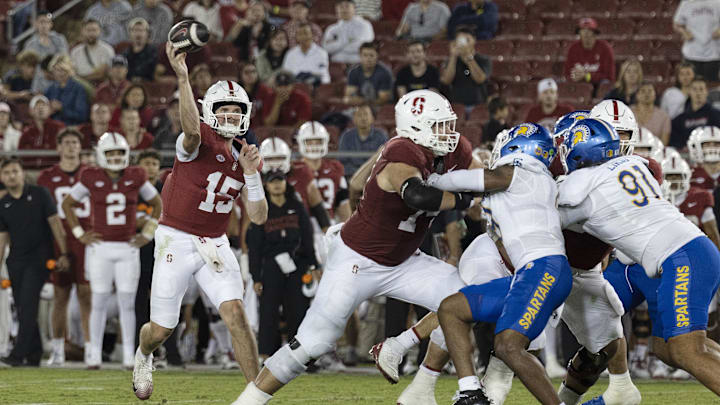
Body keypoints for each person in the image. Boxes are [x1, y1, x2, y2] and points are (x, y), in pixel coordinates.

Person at [232, 89, 482, 405]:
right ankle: (247, 402)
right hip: (357, 260)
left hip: (404, 260)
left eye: (448, 124)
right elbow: (417, 196)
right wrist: (466, 196)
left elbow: (481, 179)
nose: (448, 133)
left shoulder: (454, 148)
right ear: (415, 127)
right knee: (312, 344)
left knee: (464, 303)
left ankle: (419, 384)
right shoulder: (402, 150)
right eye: (438, 125)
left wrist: (488, 188)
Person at [132, 42, 268, 400]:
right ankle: (144, 353)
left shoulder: (247, 156)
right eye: (221, 110)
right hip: (175, 237)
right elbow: (191, 131)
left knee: (236, 313)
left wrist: (252, 174)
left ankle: (256, 396)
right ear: (210, 112)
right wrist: (183, 77)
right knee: (161, 329)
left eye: (234, 110)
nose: (228, 116)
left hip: (215, 242)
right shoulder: (199, 138)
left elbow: (257, 216)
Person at [559, 117, 720, 398]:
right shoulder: (633, 164)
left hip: (681, 257)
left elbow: (549, 219)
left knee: (685, 349)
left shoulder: (579, 187)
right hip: (693, 250)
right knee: (666, 348)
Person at [62, 133, 161, 369]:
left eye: (119, 153)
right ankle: (93, 352)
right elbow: (68, 204)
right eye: (111, 153)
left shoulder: (136, 175)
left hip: (127, 247)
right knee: (98, 300)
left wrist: (147, 233)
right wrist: (78, 233)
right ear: (101, 155)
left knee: (127, 302)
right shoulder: (90, 176)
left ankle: (129, 353)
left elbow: (158, 203)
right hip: (100, 247)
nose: (116, 157)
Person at [0, 158, 70, 367]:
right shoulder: (3, 205)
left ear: (23, 173)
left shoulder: (40, 194)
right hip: (16, 261)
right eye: (7, 173)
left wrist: (64, 253)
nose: (11, 176)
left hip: (39, 259)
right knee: (23, 307)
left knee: (28, 305)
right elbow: (2, 240)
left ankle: (17, 354)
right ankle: (34, 353)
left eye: (15, 171)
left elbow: (56, 225)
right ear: (2, 177)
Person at [37, 129, 93, 367]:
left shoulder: (92, 173)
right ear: (58, 147)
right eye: (66, 142)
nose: (71, 146)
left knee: (86, 295)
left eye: (74, 142)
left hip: (87, 240)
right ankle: (58, 350)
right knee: (60, 296)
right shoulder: (47, 177)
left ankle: (92, 349)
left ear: (80, 147)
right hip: (59, 240)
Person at [247, 168, 316, 360]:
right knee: (268, 310)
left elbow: (307, 236)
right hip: (271, 265)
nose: (277, 184)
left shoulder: (297, 205)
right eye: (272, 181)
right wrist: (256, 276)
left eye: (280, 180)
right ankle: (266, 355)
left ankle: (301, 355)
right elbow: (255, 245)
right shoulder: (262, 210)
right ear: (266, 185)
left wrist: (314, 264)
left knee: (298, 309)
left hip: (297, 263)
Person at [259, 137, 332, 230]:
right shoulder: (255, 178)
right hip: (268, 230)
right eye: (270, 158)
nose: (275, 163)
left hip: (300, 228)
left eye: (279, 157)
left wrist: (329, 237)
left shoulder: (301, 173)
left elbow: (319, 209)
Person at [295, 121, 352, 222]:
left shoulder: (335, 169)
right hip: (301, 227)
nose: (314, 145)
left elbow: (344, 207)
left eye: (318, 141)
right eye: (309, 142)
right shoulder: (293, 170)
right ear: (300, 143)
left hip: (329, 226)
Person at [440, 28, 492, 108]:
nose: (464, 43)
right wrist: (453, 56)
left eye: (467, 39)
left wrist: (468, 56)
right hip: (456, 104)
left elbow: (480, 79)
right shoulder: (450, 61)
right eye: (460, 40)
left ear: (474, 40)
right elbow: (446, 80)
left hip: (478, 105)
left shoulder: (484, 59)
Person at [673, 0, 720, 82]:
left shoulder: (717, 2)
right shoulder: (686, 3)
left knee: (712, 87)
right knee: (691, 86)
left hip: (713, 54)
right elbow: (677, 24)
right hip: (691, 53)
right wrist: (684, 33)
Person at [338, 105, 388, 178]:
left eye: (366, 114)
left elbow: (385, 161)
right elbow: (342, 162)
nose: (363, 118)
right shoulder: (346, 136)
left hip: (375, 176)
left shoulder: (381, 136)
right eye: (359, 115)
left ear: (372, 118)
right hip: (352, 176)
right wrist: (359, 174)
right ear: (354, 119)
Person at [670, 78, 720, 148]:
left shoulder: (717, 115)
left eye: (701, 89)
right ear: (689, 92)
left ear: (706, 92)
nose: (698, 93)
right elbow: (674, 143)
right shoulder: (678, 120)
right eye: (694, 89)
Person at [564, 18, 615, 86]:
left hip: (598, 85)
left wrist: (587, 76)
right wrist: (574, 76)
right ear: (579, 33)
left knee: (605, 83)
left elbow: (609, 76)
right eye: (583, 31)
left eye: (589, 31)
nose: (586, 34)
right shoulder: (573, 48)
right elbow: (567, 73)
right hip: (578, 84)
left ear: (595, 33)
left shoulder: (605, 48)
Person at [18, 95, 66, 168]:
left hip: (55, 169)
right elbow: (21, 154)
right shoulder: (26, 132)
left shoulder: (59, 128)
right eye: (37, 106)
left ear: (50, 110)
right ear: (31, 111)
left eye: (44, 105)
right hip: (31, 170)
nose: (41, 108)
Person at [321, 0, 374, 64]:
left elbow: (363, 46)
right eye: (341, 7)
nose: (344, 9)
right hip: (337, 63)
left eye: (347, 6)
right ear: (336, 10)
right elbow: (326, 48)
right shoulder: (332, 29)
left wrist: (337, 45)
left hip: (358, 62)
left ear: (354, 8)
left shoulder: (364, 25)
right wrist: (347, 41)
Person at [344, 41, 393, 107]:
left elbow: (383, 100)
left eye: (371, 55)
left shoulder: (384, 73)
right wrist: (353, 100)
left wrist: (363, 102)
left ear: (377, 56)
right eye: (365, 55)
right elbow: (348, 96)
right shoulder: (354, 72)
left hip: (379, 108)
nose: (368, 58)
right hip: (360, 108)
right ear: (360, 56)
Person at [45, 55, 90, 126]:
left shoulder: (78, 89)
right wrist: (49, 110)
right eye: (57, 70)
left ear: (70, 71)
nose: (60, 73)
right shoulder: (50, 89)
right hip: (53, 127)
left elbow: (82, 116)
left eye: (63, 70)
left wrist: (62, 109)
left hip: (72, 127)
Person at [239, 63, 275, 128]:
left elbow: (268, 118)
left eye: (253, 72)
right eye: (246, 72)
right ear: (240, 75)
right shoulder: (235, 91)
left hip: (261, 130)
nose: (250, 75)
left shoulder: (265, 91)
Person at [123, 17, 157, 82]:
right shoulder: (125, 52)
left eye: (141, 30)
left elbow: (148, 69)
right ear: (130, 33)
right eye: (135, 30)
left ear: (147, 33)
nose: (138, 34)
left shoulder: (153, 51)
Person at [687, 126, 720, 191]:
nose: (712, 148)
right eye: (707, 144)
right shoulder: (689, 175)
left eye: (716, 144)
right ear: (696, 147)